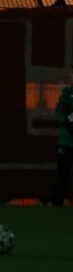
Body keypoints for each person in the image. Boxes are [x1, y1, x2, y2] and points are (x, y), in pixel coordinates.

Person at [53, 75, 73, 206]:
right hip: (66, 142)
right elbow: (60, 110)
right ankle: (56, 205)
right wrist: (67, 123)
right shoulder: (67, 93)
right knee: (62, 175)